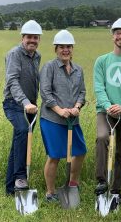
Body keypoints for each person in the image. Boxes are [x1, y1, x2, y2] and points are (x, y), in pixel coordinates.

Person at [93, 18, 121, 205]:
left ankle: (116, 191)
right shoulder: (102, 61)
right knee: (102, 137)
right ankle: (102, 181)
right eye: (117, 33)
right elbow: (99, 86)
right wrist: (108, 106)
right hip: (105, 111)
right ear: (113, 36)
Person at [39, 30, 87, 202]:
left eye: (68, 47)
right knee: (55, 155)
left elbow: (82, 92)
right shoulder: (49, 67)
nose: (65, 50)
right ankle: (50, 193)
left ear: (72, 49)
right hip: (52, 119)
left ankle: (73, 184)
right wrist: (60, 110)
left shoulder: (78, 70)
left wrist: (77, 107)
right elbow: (45, 93)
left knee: (80, 151)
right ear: (56, 49)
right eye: (61, 47)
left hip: (72, 120)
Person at [2, 20, 42, 196]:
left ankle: (10, 189)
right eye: (29, 37)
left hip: (30, 107)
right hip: (14, 103)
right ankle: (20, 177)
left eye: (35, 37)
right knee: (23, 132)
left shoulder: (37, 56)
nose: (32, 40)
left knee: (18, 143)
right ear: (22, 37)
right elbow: (12, 81)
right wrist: (25, 102)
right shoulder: (14, 54)